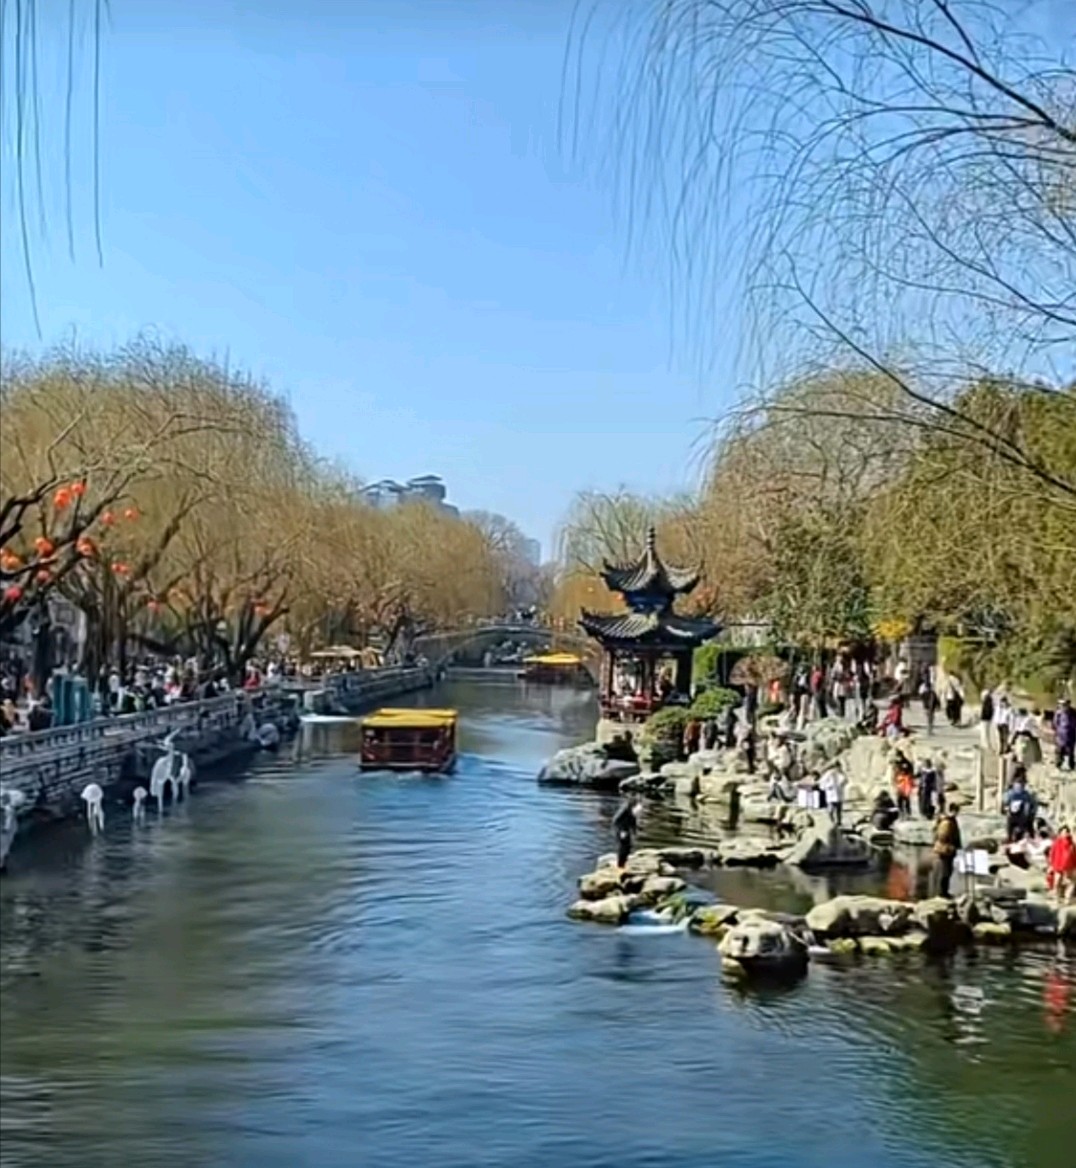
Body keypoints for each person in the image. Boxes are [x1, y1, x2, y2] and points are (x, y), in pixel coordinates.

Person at [931, 804, 962, 898]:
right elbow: (943, 835)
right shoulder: (947, 821)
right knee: (946, 870)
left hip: (946, 848)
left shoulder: (949, 820)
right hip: (946, 849)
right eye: (957, 811)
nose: (957, 813)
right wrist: (951, 844)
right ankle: (943, 892)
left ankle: (944, 891)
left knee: (947, 870)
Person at [1001, 769, 1037, 842]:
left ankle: (1011, 838)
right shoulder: (1023, 794)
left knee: (1014, 829)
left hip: (1017, 816)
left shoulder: (1015, 793)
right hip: (1019, 816)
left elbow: (1005, 801)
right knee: (1021, 828)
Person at [612, 797, 643, 869]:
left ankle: (624, 863)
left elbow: (633, 821)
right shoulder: (624, 810)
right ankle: (620, 864)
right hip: (620, 829)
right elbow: (616, 821)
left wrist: (635, 831)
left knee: (628, 846)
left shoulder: (632, 812)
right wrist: (621, 831)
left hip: (626, 829)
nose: (639, 812)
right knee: (623, 846)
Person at [1047, 825, 1075, 903]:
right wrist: (1051, 865)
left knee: (1071, 881)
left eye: (1067, 832)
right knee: (1057, 882)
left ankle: (1067, 898)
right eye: (1064, 832)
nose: (1065, 834)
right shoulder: (1057, 842)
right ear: (1060, 833)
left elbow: (1073, 854)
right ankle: (1057, 898)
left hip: (1069, 865)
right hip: (1058, 864)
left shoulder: (1071, 842)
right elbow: (1052, 853)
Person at [819, 761, 847, 826]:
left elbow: (845, 781)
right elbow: (822, 783)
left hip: (839, 794)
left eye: (839, 766)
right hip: (831, 794)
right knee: (831, 809)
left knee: (839, 810)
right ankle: (832, 821)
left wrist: (842, 783)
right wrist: (828, 786)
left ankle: (839, 822)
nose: (838, 768)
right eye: (837, 767)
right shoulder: (828, 774)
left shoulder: (841, 773)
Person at [1054, 698, 1075, 771]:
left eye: (1065, 704)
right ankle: (1058, 764)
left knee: (1071, 750)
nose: (1063, 706)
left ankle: (1071, 765)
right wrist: (1057, 731)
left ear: (1069, 704)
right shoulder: (1059, 713)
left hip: (1071, 734)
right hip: (1061, 734)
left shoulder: (1073, 712)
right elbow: (1055, 723)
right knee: (1060, 749)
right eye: (1062, 704)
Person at [893, 750, 916, 818]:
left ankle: (908, 813)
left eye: (897, 756)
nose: (897, 758)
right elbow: (894, 773)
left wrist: (909, 779)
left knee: (906, 799)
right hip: (899, 783)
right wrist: (894, 781)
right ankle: (901, 813)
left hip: (905, 783)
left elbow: (911, 772)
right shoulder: (896, 763)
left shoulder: (906, 762)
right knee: (899, 799)